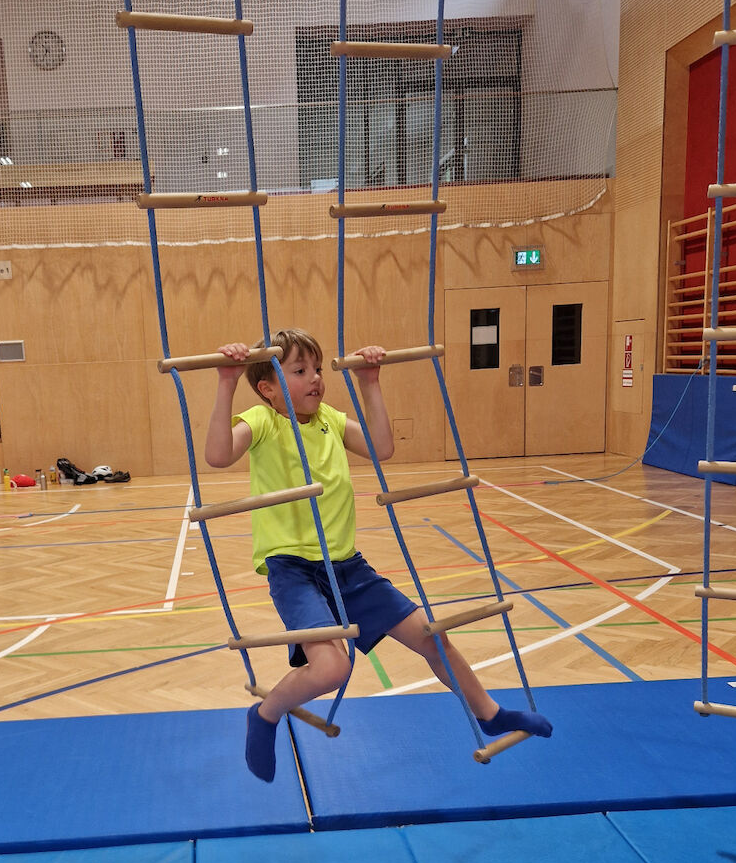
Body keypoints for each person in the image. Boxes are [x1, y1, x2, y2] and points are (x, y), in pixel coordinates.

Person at [204, 327, 552, 782]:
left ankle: (490, 713)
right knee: (331, 667)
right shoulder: (263, 421)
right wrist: (226, 382)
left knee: (433, 638)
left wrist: (370, 384)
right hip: (294, 571)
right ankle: (265, 715)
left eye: (316, 368)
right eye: (299, 371)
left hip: (347, 566)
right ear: (267, 388)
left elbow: (381, 448)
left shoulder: (329, 419)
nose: (315, 378)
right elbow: (217, 455)